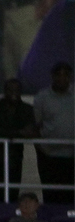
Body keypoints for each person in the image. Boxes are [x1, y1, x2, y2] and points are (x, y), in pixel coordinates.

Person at [0, 79, 35, 203]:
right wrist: (18, 133)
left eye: (17, 89)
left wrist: (9, 133)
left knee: (13, 192)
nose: (13, 92)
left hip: (14, 157)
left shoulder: (27, 109)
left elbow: (30, 131)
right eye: (10, 89)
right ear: (5, 91)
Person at [33, 62, 74, 206]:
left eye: (65, 75)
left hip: (72, 155)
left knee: (71, 195)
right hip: (49, 156)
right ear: (52, 76)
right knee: (51, 194)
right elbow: (35, 126)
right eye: (58, 74)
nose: (62, 78)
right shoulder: (42, 97)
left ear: (70, 77)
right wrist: (41, 149)